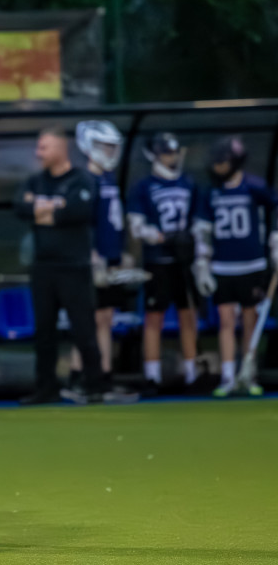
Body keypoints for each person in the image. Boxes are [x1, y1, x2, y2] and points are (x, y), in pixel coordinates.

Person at [14, 126, 104, 405]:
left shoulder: (81, 179)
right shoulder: (35, 181)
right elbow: (20, 208)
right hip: (43, 267)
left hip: (74, 267)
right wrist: (56, 208)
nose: (38, 153)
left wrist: (40, 209)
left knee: (84, 329)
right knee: (44, 332)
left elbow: (78, 211)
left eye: (44, 147)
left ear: (61, 149)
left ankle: (94, 386)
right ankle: (46, 389)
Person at [192, 136, 278, 397]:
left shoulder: (255, 187)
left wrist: (275, 241)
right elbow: (203, 230)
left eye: (222, 162)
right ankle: (228, 376)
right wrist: (202, 263)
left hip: (252, 264)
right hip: (223, 266)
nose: (217, 167)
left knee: (251, 320)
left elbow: (275, 209)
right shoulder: (211, 192)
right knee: (226, 320)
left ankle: (248, 373)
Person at [127, 132, 201, 395]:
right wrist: (160, 237)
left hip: (183, 261)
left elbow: (199, 222)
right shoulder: (143, 187)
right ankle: (152, 376)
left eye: (174, 152)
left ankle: (192, 374)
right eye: (166, 153)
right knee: (154, 317)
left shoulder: (189, 183)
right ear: (155, 156)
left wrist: (191, 243)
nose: (172, 158)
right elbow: (136, 227)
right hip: (157, 260)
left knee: (188, 315)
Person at [68, 121, 129, 392]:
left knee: (106, 318)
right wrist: (92, 254)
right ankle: (78, 374)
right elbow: (83, 223)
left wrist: (120, 253)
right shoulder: (86, 179)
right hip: (91, 261)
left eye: (113, 147)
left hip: (110, 258)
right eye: (105, 146)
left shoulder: (108, 177)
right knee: (88, 320)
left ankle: (104, 375)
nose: (110, 151)